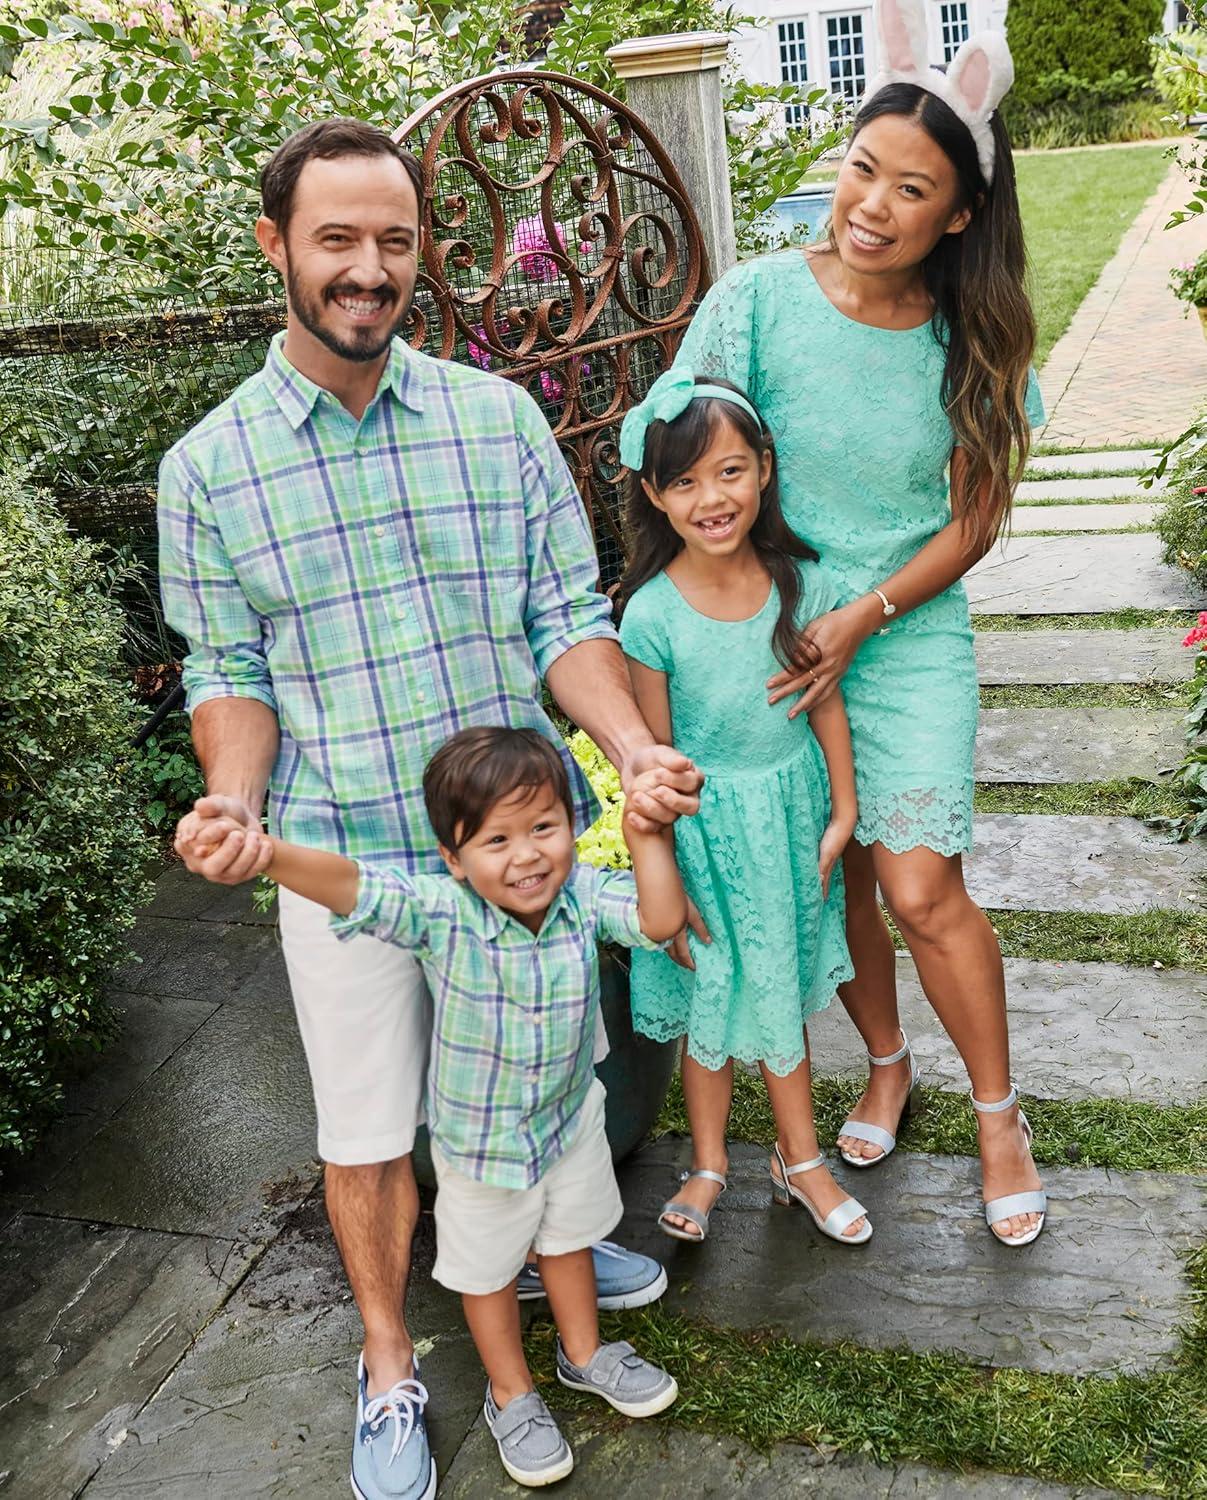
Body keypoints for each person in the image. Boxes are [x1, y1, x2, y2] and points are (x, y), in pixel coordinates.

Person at [161, 117, 703, 1500]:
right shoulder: (209, 468)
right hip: (347, 857)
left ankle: (541, 1243)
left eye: (394, 241)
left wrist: (631, 748)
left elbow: (562, 615)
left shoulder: (496, 420)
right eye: (337, 239)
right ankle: (390, 1356)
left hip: (515, 857)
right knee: (364, 1134)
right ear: (276, 245)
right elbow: (227, 669)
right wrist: (235, 803)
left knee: (547, 1076)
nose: (368, 268)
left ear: (422, 253)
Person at [670, 0, 1047, 1247]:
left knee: (920, 885)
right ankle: (886, 1065)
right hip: (776, 641)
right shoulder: (758, 301)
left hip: (905, 632)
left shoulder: (972, 334)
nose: (872, 206)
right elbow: (678, 440)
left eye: (911, 189)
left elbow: (974, 519)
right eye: (862, 168)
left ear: (959, 215)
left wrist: (869, 613)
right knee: (832, 876)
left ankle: (998, 1115)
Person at [181, 727, 684, 1489]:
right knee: (487, 1275)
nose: (527, 855)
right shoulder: (440, 912)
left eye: (543, 827)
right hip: (482, 1148)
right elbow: (353, 885)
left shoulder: (581, 896)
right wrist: (264, 850)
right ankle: (510, 1396)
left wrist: (646, 834)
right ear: (453, 857)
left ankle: (582, 1355)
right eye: (496, 840)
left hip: (571, 1121)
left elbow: (659, 920)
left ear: (570, 826)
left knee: (570, 1241)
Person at [614, 370, 869, 1247]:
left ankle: (802, 1161)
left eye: (728, 471)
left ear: (762, 467)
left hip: (786, 823)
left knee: (775, 995)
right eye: (683, 481)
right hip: (703, 837)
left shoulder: (799, 584)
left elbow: (822, 704)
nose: (711, 498)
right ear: (655, 495)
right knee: (711, 997)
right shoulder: (650, 615)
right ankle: (708, 1163)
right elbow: (655, 758)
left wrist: (842, 811)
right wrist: (666, 870)